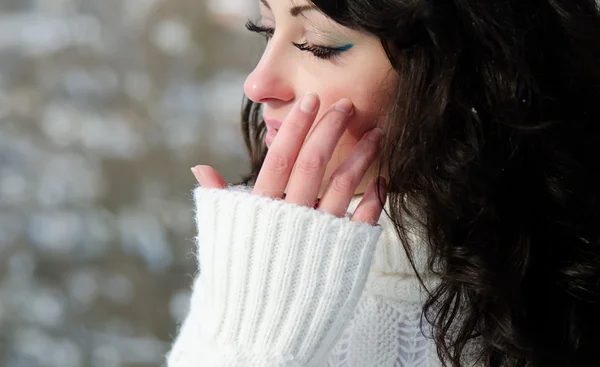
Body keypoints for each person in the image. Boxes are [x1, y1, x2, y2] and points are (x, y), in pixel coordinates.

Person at [166, 0, 600, 366]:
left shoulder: (564, 283)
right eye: (265, 29)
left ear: (468, 67)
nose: (258, 84)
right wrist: (246, 340)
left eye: (317, 44)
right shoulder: (250, 266)